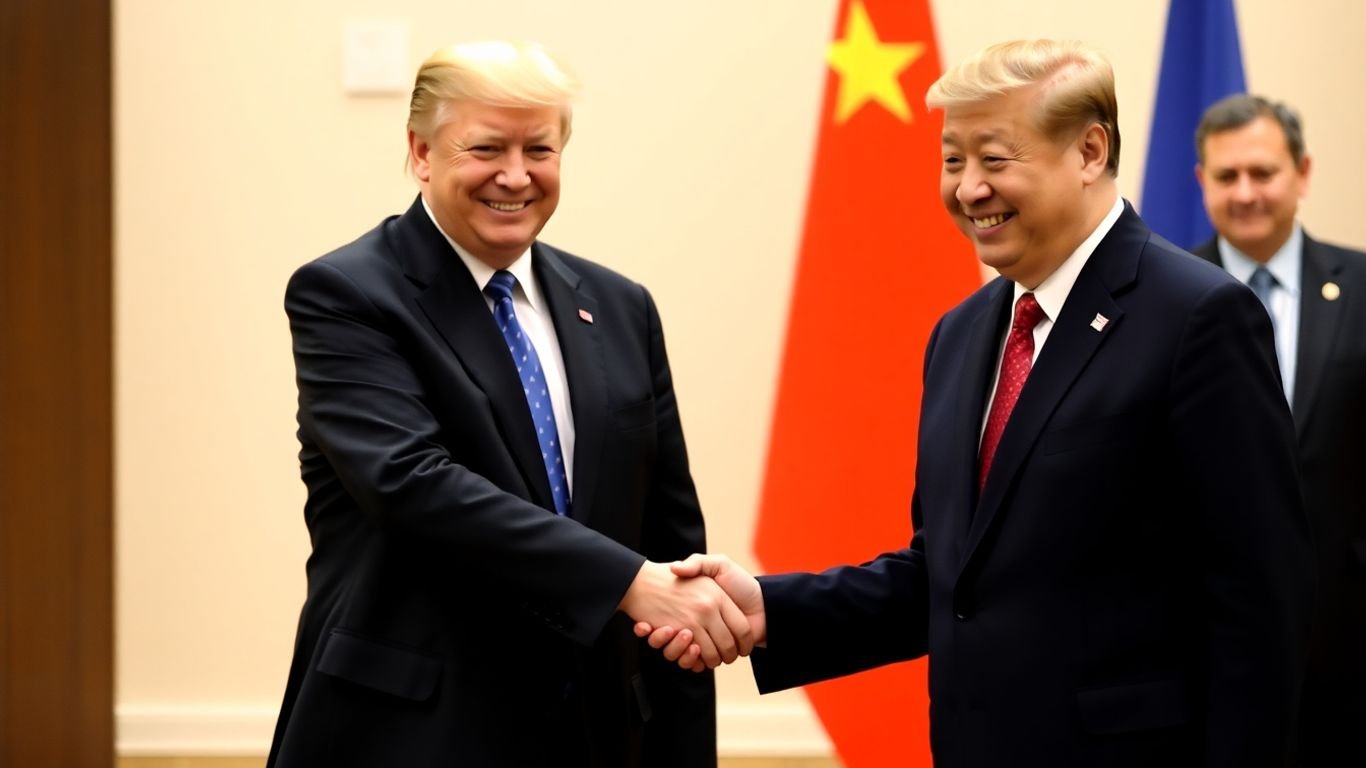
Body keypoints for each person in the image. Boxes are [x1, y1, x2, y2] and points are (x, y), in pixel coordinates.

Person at [640, 39, 1314, 767]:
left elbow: (1259, 607)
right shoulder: (961, 335)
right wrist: (766, 609)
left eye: (994, 159)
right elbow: (950, 576)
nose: (967, 190)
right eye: (953, 160)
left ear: (1090, 151)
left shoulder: (1199, 317)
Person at [266, 40, 751, 768]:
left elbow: (668, 525)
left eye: (540, 148)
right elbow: (410, 483)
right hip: (414, 731)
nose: (516, 176)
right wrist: (627, 583)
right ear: (421, 151)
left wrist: (681, 725)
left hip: (594, 730)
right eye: (487, 147)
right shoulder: (349, 295)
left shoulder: (620, 307)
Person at [1191, 94, 1366, 768]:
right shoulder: (1155, 297)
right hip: (1207, 645)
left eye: (1262, 173)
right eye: (1226, 176)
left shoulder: (1361, 286)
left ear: (1303, 173)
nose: (1246, 193)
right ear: (1200, 182)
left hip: (1349, 638)